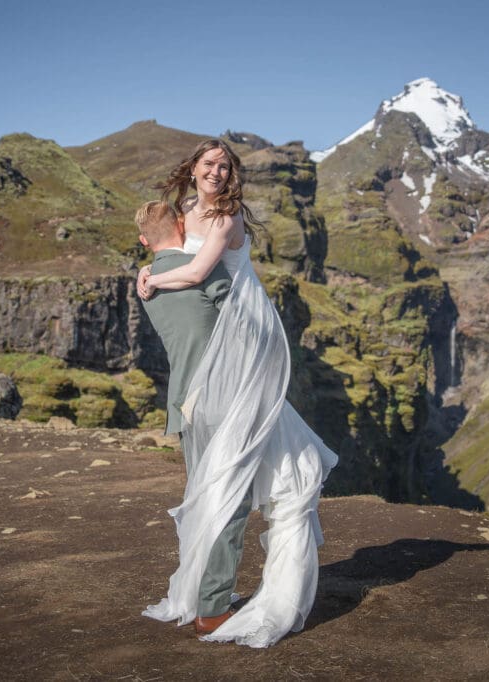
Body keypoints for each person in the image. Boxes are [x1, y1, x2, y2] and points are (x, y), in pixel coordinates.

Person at [139, 139, 339, 648]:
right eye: (209, 163)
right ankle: (210, 603)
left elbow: (196, 272)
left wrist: (152, 277)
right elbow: (173, 255)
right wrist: (151, 267)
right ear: (193, 168)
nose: (217, 171)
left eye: (225, 166)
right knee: (224, 483)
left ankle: (209, 600)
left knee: (230, 479)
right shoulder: (185, 211)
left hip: (238, 344)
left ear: (232, 175)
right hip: (211, 361)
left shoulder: (226, 219)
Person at [134, 201, 253, 636]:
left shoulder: (147, 286)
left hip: (183, 403)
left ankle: (201, 591)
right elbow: (242, 321)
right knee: (232, 498)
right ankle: (213, 607)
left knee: (203, 495)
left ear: (144, 240)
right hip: (220, 397)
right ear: (182, 225)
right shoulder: (202, 270)